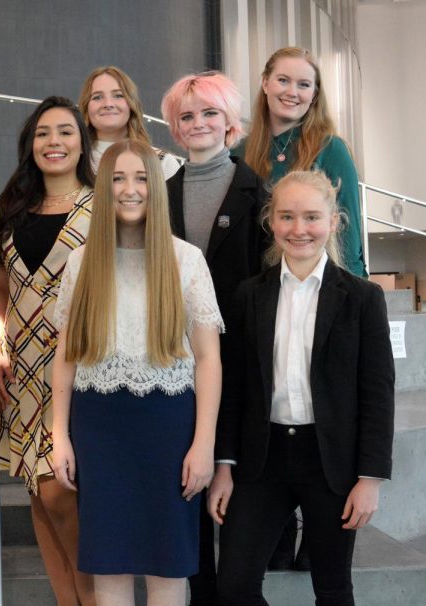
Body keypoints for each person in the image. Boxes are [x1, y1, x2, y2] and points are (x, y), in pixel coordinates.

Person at [51, 138, 223, 606]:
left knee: (169, 568)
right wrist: (58, 434)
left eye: (142, 178)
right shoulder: (81, 262)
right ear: (104, 189)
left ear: (157, 186)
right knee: (109, 568)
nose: (130, 189)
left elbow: (208, 359)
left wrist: (203, 443)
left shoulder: (186, 260)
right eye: (118, 179)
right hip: (99, 427)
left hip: (168, 427)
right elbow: (66, 355)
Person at [211, 170, 395, 606]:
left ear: (333, 222)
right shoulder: (248, 296)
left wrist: (370, 478)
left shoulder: (362, 298)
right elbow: (233, 389)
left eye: (312, 217)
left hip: (330, 463)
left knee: (332, 589)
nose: (299, 229)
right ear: (271, 222)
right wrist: (223, 465)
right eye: (287, 217)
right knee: (234, 587)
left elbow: (377, 394)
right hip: (261, 459)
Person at [0, 96, 96, 606]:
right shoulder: (9, 210)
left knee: (60, 490)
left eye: (66, 132)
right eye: (43, 133)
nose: (54, 142)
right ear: (30, 145)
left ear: (82, 142)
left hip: (80, 370)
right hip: (22, 370)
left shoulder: (105, 207)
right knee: (36, 494)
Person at [160, 70, 269, 605]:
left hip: (243, 365)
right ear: (175, 129)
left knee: (239, 510)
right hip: (179, 365)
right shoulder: (159, 195)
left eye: (209, 113)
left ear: (230, 123)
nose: (198, 123)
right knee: (189, 501)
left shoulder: (259, 194)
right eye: (187, 115)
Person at [235, 46, 366, 278]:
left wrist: (354, 299)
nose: (292, 92)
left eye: (304, 84)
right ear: (265, 83)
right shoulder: (239, 152)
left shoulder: (331, 150)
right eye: (283, 80)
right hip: (258, 292)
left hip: (320, 286)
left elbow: (350, 237)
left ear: (314, 94)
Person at [78, 65, 181, 179]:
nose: (108, 104)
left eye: (118, 95)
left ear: (132, 105)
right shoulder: (73, 162)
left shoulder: (162, 163)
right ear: (86, 106)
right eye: (97, 97)